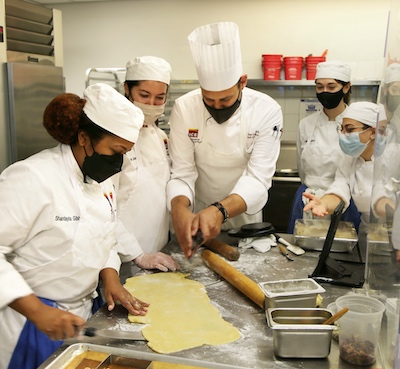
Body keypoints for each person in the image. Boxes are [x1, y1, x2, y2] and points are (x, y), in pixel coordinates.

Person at [0, 83, 167, 369]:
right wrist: (37, 311)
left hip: (81, 315)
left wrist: (110, 276)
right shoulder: (32, 178)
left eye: (126, 152)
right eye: (116, 150)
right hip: (32, 323)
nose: (120, 162)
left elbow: (104, 232)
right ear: (83, 138)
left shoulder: (99, 177)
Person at [166, 22, 283, 258]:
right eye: (209, 101)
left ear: (242, 82)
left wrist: (220, 210)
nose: (217, 108)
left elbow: (258, 178)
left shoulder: (266, 110)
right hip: (198, 215)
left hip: (245, 216)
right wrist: (179, 208)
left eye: (226, 100)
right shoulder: (184, 107)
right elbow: (183, 172)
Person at [114, 56, 179, 278]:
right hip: (119, 257)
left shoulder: (160, 137)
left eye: (159, 98)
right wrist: (137, 254)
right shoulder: (111, 140)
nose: (151, 104)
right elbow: (101, 208)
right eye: (144, 96)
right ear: (126, 89)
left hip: (158, 254)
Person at [303, 101, 384, 256]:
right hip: (368, 236)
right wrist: (325, 203)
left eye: (350, 129)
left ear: (373, 132)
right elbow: (340, 189)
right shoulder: (350, 159)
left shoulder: (393, 159)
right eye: (342, 129)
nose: (343, 135)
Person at [288, 60, 361, 233]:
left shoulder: (356, 124)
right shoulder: (306, 124)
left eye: (331, 87)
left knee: (342, 253)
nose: (324, 92)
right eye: (319, 87)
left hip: (344, 202)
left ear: (346, 87)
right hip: (307, 198)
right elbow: (301, 167)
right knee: (301, 251)